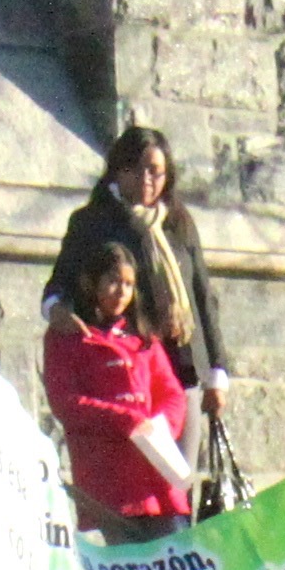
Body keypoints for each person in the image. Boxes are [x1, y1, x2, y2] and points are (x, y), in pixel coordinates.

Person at [53, 124, 226, 415]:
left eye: (155, 171)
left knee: (183, 462)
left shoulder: (179, 223)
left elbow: (203, 296)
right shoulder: (92, 222)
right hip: (131, 374)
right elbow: (61, 283)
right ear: (117, 171)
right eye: (135, 169)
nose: (146, 179)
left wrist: (217, 374)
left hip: (184, 371)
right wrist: (56, 309)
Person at [44, 235, 193, 539]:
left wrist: (160, 425)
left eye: (128, 284)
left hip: (156, 478)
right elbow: (66, 402)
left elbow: (172, 393)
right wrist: (126, 420)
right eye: (113, 282)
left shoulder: (143, 339)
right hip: (109, 481)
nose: (121, 292)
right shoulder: (66, 337)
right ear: (91, 283)